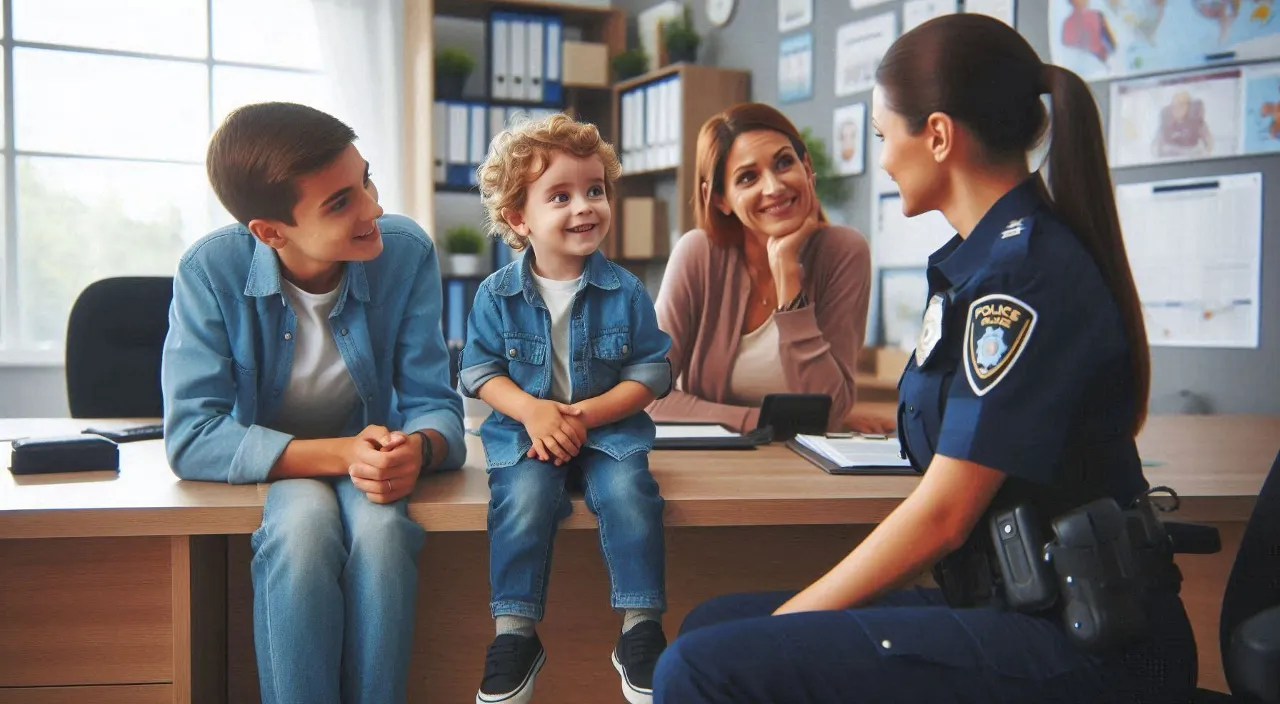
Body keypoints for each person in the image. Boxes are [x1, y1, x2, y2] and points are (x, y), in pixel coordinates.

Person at [651, 14, 1197, 704]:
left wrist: (789, 627)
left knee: (701, 667)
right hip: (1020, 601)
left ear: (937, 136)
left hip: (1083, 639)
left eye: (884, 137)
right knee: (712, 625)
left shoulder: (1021, 276)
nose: (880, 158)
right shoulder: (984, 265)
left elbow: (943, 517)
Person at [162, 102, 466, 704]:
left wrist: (422, 450)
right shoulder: (209, 271)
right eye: (340, 203)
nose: (373, 209)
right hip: (281, 466)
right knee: (301, 530)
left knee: (383, 532)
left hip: (371, 457)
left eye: (366, 182)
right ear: (270, 232)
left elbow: (437, 403)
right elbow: (193, 435)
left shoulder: (405, 253)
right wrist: (341, 453)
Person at [459, 113, 673, 704]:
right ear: (518, 218)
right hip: (526, 433)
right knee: (524, 499)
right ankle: (516, 635)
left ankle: (640, 628)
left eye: (594, 190)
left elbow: (652, 373)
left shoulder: (625, 290)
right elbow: (478, 372)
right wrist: (533, 412)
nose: (585, 206)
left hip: (607, 432)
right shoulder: (495, 295)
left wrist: (585, 417)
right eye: (561, 195)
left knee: (631, 496)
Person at [647, 102, 892, 435]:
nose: (774, 187)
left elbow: (829, 410)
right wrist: (766, 423)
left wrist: (788, 278)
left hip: (805, 466)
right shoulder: (698, 255)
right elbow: (647, 397)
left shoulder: (844, 252)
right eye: (748, 177)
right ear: (719, 198)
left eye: (784, 163)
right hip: (714, 460)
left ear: (806, 167)